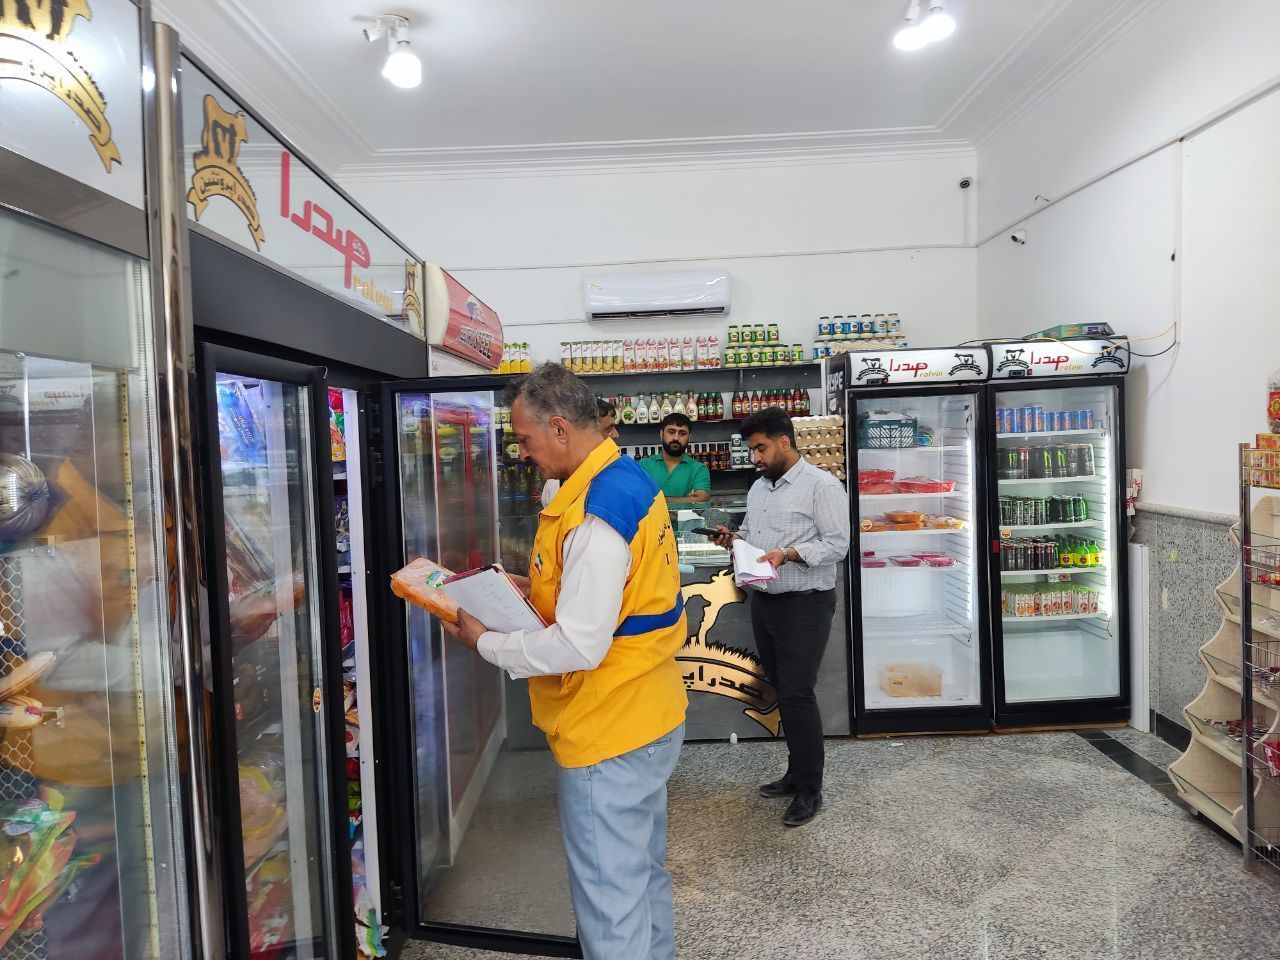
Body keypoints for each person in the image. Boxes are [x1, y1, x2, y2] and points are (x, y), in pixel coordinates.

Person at [436, 363, 688, 959]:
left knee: (610, 904)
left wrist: (483, 641)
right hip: (650, 711)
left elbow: (579, 645)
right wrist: (533, 587)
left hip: (608, 729)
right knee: (641, 877)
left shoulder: (597, 515)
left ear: (558, 428)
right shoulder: (623, 477)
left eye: (524, 439)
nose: (521, 453)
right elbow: (613, 594)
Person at [710, 405, 850, 827]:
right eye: (753, 449)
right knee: (783, 691)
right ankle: (795, 773)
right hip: (767, 602)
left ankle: (810, 789)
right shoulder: (759, 489)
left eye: (761, 448)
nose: (755, 457)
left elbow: (838, 544)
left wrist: (788, 554)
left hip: (805, 604)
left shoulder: (822, 487)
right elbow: (754, 537)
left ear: (784, 442)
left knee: (798, 694)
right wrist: (734, 540)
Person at [540, 397, 617, 505]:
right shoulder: (554, 485)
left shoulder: (616, 474)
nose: (616, 435)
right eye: (608, 429)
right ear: (587, 431)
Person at [637, 412, 711, 505]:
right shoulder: (643, 466)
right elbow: (637, 498)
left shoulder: (699, 469)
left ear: (689, 438)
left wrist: (657, 500)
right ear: (661, 434)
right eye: (671, 432)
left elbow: (702, 499)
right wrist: (688, 499)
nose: (676, 438)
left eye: (682, 433)